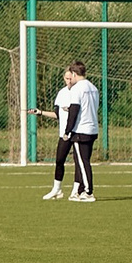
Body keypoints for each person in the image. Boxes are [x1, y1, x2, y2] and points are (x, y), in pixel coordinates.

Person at [41, 58, 99, 202]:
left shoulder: (77, 88)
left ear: (74, 74)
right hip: (92, 128)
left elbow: (74, 110)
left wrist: (67, 131)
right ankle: (79, 192)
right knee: (83, 161)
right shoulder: (93, 88)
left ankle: (88, 192)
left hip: (81, 130)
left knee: (82, 163)